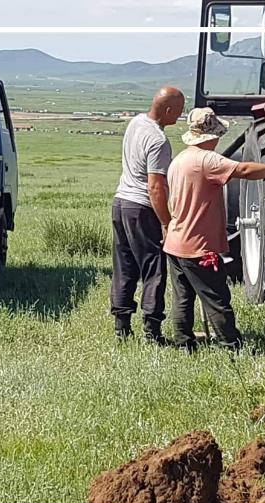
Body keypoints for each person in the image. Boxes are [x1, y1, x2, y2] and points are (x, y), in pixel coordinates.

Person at [164, 108, 265, 351]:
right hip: (198, 246)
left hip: (176, 241)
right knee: (217, 298)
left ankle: (184, 344)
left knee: (182, 297)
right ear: (211, 136)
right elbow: (244, 170)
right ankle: (231, 345)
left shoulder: (179, 160)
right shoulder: (207, 160)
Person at [110, 86, 185, 344]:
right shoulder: (158, 140)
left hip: (121, 202)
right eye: (179, 111)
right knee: (154, 268)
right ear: (168, 110)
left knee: (124, 265)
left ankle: (122, 328)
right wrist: (166, 222)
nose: (180, 116)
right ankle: (152, 331)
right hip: (142, 207)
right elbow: (154, 187)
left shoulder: (136, 122)